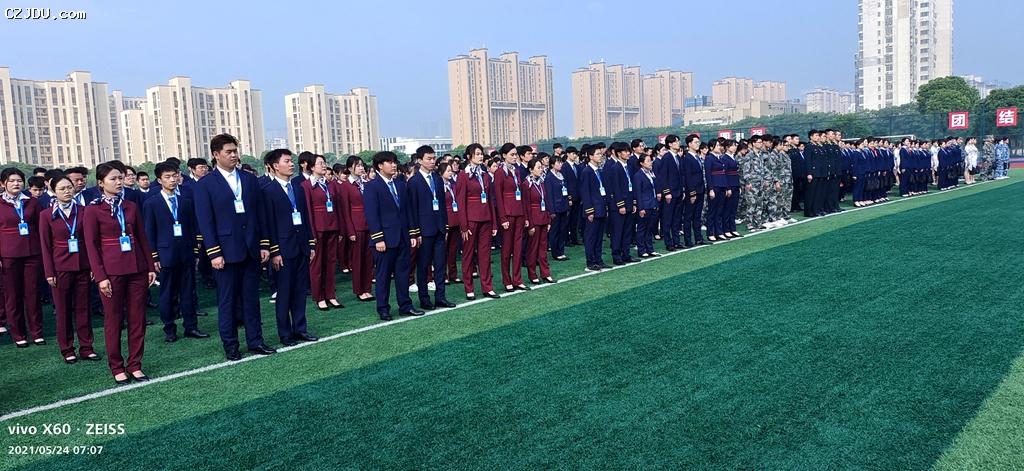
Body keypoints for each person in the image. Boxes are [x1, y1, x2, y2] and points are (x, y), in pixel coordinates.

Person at [194, 133, 276, 361]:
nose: (233, 155)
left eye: (235, 151)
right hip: (225, 252)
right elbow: (205, 222)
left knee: (251, 299)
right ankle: (231, 345)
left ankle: (255, 341)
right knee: (228, 301)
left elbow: (259, 214)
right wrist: (214, 252)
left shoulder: (249, 180)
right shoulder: (205, 185)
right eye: (228, 152)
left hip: (250, 248)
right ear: (215, 154)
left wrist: (263, 244)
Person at [83, 163, 157, 384]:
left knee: (138, 319)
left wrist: (150, 266)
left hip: (136, 269)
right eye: (113, 179)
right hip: (111, 272)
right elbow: (91, 246)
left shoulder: (130, 206)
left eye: (120, 178)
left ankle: (135, 365)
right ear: (101, 183)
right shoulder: (93, 210)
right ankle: (116, 366)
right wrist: (101, 276)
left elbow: (142, 238)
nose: (118, 182)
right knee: (114, 320)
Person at [143, 162, 209, 343]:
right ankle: (169, 328)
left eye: (175, 176)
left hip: (186, 253)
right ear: (159, 180)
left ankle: (191, 326)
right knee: (167, 293)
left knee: (188, 291)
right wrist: (154, 256)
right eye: (167, 177)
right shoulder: (151, 203)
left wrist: (195, 252)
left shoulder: (185, 201)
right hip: (165, 255)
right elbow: (149, 232)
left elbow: (193, 228)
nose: (172, 180)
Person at [260, 149, 319, 347]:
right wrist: (274, 251)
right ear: (275, 166)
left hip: (301, 246)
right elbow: (268, 224)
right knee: (284, 294)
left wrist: (310, 244)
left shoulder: (298, 188)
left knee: (300, 292)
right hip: (283, 250)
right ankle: (285, 333)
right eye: (287, 161)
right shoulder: (268, 191)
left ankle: (300, 329)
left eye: (291, 160)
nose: (292, 164)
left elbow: (305, 218)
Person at [40, 175, 98, 363]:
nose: (67, 191)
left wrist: (93, 266)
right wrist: (49, 272)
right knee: (63, 310)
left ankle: (87, 347)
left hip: (83, 266)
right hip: (60, 268)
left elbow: (91, 241)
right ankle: (67, 349)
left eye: (69, 187)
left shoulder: (84, 211)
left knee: (84, 308)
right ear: (54, 191)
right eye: (62, 188)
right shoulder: (46, 215)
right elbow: (45, 246)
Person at [363, 151, 424, 320]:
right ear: (380, 166)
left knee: (403, 274)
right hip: (384, 239)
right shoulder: (372, 186)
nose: (394, 165)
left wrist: (413, 233)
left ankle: (405, 305)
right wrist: (378, 238)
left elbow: (407, 210)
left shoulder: (400, 184)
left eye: (394, 162)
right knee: (383, 276)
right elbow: (371, 214)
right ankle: (383, 308)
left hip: (402, 237)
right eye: (389, 162)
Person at [407, 145, 456, 310]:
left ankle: (440, 296)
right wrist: (415, 232)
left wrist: (445, 226)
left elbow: (442, 204)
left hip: (439, 229)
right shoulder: (414, 182)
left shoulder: (437, 178)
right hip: (424, 231)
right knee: (423, 266)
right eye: (428, 158)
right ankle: (424, 298)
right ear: (419, 160)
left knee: (440, 265)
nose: (432, 161)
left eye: (434, 158)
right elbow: (412, 209)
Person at [0, 168, 45, 348]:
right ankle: (18, 334)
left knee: (33, 294)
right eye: (11, 181)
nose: (16, 183)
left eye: (19, 180)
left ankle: (37, 332)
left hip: (32, 254)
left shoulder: (32, 202)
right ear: (3, 184)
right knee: (13, 295)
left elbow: (41, 227)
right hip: (8, 255)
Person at [455, 144, 499, 299]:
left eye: (482, 154)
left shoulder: (485, 175)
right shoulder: (463, 175)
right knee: (468, 255)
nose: (481, 156)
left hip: (486, 218)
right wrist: (463, 225)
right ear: (469, 156)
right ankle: (469, 288)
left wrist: (494, 223)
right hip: (471, 220)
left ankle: (487, 287)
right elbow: (460, 202)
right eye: (478, 154)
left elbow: (490, 200)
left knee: (485, 255)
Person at [302, 154, 346, 311]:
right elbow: (307, 211)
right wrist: (311, 234)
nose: (324, 165)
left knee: (331, 263)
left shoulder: (330, 184)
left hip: (332, 227)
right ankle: (319, 297)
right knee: (317, 264)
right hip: (318, 229)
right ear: (311, 167)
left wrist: (340, 229)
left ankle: (331, 294)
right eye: (320, 163)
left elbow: (338, 207)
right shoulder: (306, 186)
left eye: (324, 163)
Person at [493, 143, 530, 292]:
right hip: (508, 215)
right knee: (507, 250)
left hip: (519, 213)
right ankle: (507, 280)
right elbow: (498, 197)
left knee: (518, 248)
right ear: (504, 155)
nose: (515, 157)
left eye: (515, 154)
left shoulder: (517, 170)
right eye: (512, 154)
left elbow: (522, 195)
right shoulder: (499, 172)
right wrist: (502, 218)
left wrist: (525, 216)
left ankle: (517, 279)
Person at [340, 156, 374, 302]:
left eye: (362, 165)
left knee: (368, 259)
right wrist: (350, 231)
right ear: (350, 168)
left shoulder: (366, 183)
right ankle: (359, 289)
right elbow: (345, 211)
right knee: (357, 259)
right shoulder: (345, 186)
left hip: (369, 225)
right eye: (358, 166)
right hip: (356, 226)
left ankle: (367, 288)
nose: (361, 168)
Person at [605, 142, 638, 264]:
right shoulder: (615, 168)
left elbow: (631, 185)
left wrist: (633, 202)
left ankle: (626, 254)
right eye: (625, 151)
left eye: (629, 151)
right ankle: (616, 256)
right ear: (619, 154)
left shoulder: (628, 167)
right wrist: (620, 204)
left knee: (627, 231)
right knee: (618, 231)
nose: (628, 153)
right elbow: (615, 188)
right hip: (619, 205)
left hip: (629, 203)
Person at [580, 145, 611, 271]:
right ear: (590, 156)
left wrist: (606, 207)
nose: (600, 156)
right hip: (593, 209)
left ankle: (599, 260)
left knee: (599, 237)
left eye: (600, 154)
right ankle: (590, 262)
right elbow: (585, 192)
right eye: (597, 154)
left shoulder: (599, 170)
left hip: (601, 208)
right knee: (591, 237)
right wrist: (589, 211)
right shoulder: (586, 172)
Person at [633, 152, 661, 257]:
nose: (650, 163)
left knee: (650, 228)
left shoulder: (651, 173)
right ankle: (641, 250)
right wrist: (641, 208)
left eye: (651, 160)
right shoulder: (638, 175)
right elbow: (638, 193)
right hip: (644, 205)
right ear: (641, 163)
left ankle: (650, 248)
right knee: (642, 228)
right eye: (648, 161)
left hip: (652, 203)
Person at [438, 162, 462, 285]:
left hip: (455, 219)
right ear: (441, 173)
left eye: (451, 170)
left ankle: (453, 274)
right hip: (445, 219)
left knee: (453, 250)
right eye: (448, 171)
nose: (450, 173)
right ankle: (443, 275)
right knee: (443, 250)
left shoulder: (453, 185)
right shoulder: (439, 186)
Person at [544, 155, 571, 261]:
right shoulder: (549, 177)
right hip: (555, 208)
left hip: (564, 206)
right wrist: (552, 211)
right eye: (558, 162)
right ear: (552, 164)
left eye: (561, 162)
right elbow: (549, 195)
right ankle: (556, 252)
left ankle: (561, 250)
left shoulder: (561, 175)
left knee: (563, 230)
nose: (560, 164)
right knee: (555, 231)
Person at [705, 139, 727, 242]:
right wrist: (711, 189)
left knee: (719, 210)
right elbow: (708, 174)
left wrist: (726, 187)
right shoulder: (709, 158)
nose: (719, 147)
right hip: (715, 186)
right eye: (717, 145)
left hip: (721, 186)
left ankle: (719, 231)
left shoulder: (720, 157)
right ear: (711, 147)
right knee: (712, 210)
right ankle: (710, 232)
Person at [722, 140, 743, 238]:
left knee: (734, 209)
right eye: (732, 146)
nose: (734, 147)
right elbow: (724, 174)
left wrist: (738, 186)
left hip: (736, 184)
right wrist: (728, 187)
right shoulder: (724, 158)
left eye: (735, 145)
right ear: (727, 147)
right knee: (727, 208)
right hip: (730, 185)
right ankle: (726, 229)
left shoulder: (733, 157)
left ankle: (732, 228)